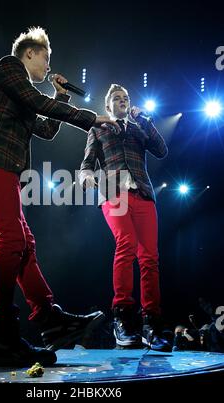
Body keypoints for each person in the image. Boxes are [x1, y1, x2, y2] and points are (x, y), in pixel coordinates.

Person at [0, 27, 120, 367]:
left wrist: (62, 97)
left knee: (25, 243)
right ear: (30, 53)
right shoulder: (9, 66)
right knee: (11, 240)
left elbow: (46, 128)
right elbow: (37, 103)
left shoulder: (21, 94)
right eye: (46, 58)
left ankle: (51, 321)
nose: (48, 65)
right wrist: (90, 118)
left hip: (4, 170)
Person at [79, 84, 171, 351]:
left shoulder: (139, 128)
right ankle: (122, 316)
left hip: (142, 193)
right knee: (126, 243)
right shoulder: (98, 128)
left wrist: (143, 119)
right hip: (113, 192)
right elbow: (87, 162)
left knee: (149, 257)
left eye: (125, 98)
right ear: (108, 106)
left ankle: (151, 323)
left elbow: (161, 150)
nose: (122, 101)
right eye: (117, 98)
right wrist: (85, 175)